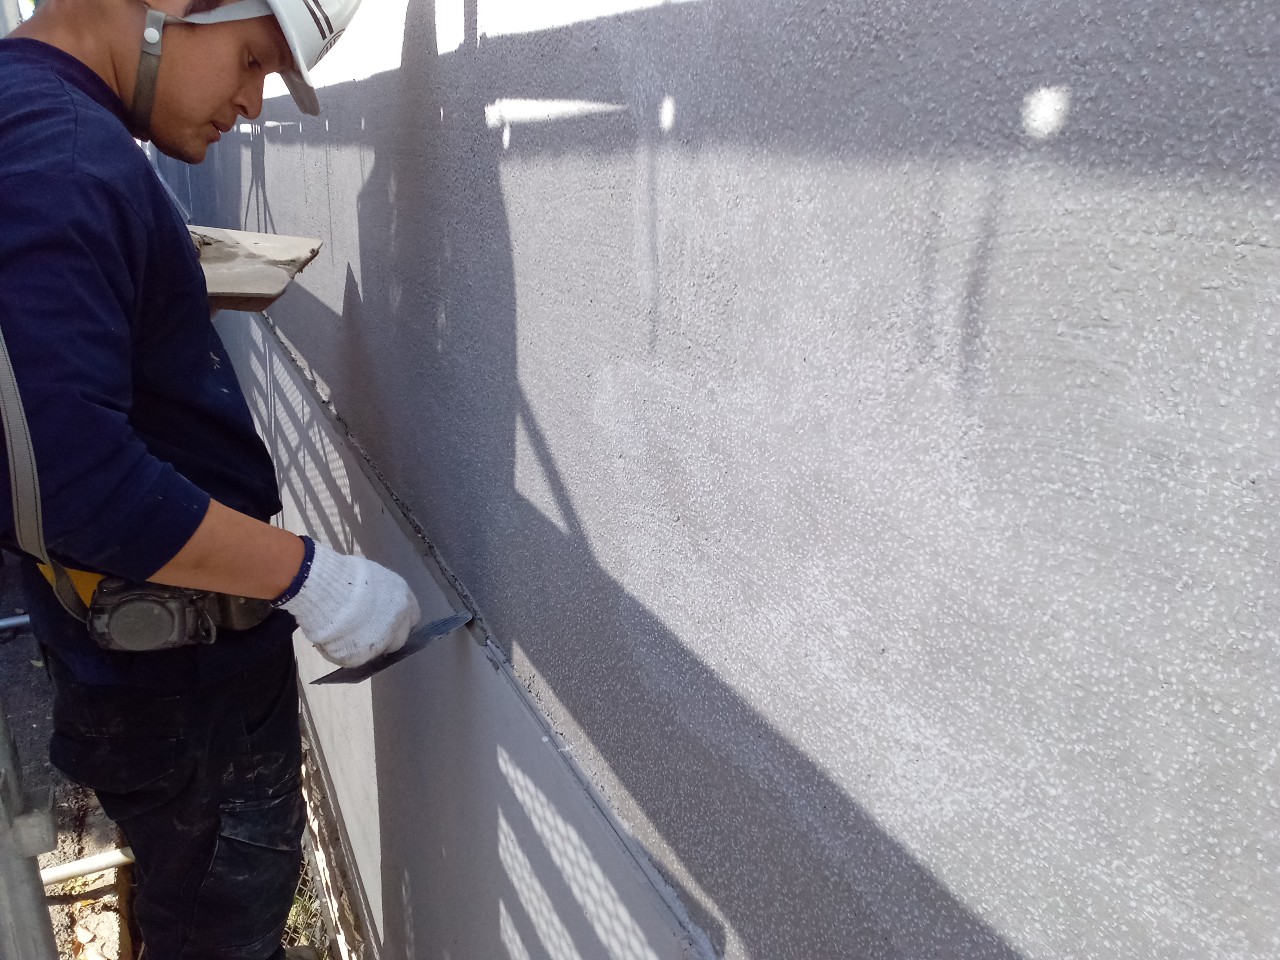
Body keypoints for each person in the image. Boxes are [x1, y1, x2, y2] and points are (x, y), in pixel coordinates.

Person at [0, 0, 420, 956]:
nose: (251, 103)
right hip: (177, 691)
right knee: (219, 933)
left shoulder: (40, 116)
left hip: (143, 666)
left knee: (191, 911)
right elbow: (75, 482)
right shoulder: (62, 156)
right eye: (252, 60)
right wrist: (312, 577)